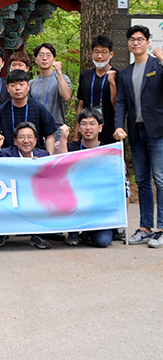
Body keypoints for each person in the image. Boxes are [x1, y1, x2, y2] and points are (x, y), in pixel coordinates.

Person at [114, 25, 163, 247]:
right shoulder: (125, 73)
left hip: (158, 131)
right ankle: (145, 227)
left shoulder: (157, 66)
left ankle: (161, 228)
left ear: (147, 42)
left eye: (140, 39)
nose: (136, 43)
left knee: (160, 180)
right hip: (135, 131)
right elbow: (121, 103)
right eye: (132, 39)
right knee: (142, 180)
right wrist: (118, 126)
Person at [0, 122, 53, 249]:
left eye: (29, 137)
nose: (26, 141)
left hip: (34, 196)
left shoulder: (44, 156)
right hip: (10, 195)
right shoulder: (5, 153)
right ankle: (0, 234)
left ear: (35, 140)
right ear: (15, 141)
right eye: (22, 137)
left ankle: (39, 236)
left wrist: (37, 167)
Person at [63, 108, 115, 248]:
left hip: (97, 209)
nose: (88, 128)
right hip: (75, 204)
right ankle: (72, 231)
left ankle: (87, 232)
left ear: (100, 128)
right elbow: (60, 167)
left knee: (103, 241)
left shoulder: (109, 151)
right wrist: (63, 138)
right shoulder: (72, 147)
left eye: (92, 124)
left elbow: (118, 185)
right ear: (79, 128)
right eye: (84, 124)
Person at [0, 70, 58, 155]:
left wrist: (47, 161)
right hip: (8, 156)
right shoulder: (1, 110)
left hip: (34, 157)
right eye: (13, 85)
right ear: (8, 88)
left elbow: (49, 136)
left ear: (28, 86)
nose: (17, 88)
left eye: (21, 84)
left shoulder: (39, 108)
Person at [29, 43, 71, 152]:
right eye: (41, 55)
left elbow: (66, 96)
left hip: (57, 132)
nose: (44, 58)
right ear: (36, 59)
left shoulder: (62, 78)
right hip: (36, 132)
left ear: (54, 59)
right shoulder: (31, 83)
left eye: (48, 55)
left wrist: (59, 73)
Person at [75, 35, 117, 145]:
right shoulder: (85, 76)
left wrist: (112, 83)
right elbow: (81, 104)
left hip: (110, 130)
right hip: (87, 132)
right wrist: (76, 135)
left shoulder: (117, 76)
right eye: (96, 52)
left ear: (111, 54)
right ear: (91, 53)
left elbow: (118, 105)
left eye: (104, 52)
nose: (100, 56)